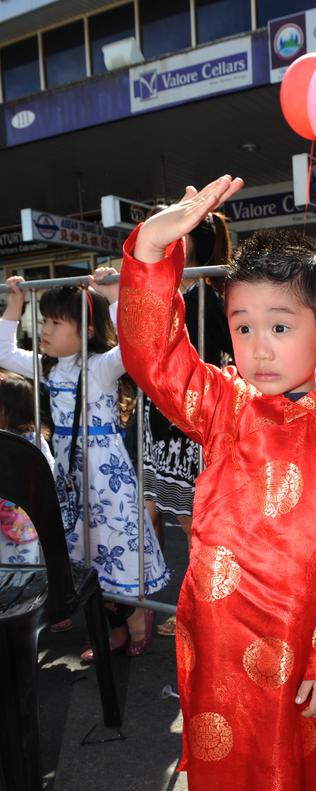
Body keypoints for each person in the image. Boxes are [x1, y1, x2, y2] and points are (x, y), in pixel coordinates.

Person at [116, 183, 316, 791]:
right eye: (243, 326)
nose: (258, 347)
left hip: (315, 636)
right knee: (252, 767)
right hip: (230, 636)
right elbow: (153, 355)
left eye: (281, 326)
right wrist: (152, 250)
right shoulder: (222, 405)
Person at [0, 276, 168, 658]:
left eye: (56, 323)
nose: (45, 330)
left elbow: (132, 348)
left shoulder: (99, 366)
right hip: (70, 477)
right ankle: (109, 628)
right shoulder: (47, 367)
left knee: (115, 546)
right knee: (83, 554)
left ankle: (138, 621)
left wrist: (113, 300)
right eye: (44, 322)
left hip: (106, 478)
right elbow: (4, 352)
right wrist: (15, 303)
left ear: (87, 329)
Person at [142, 211, 234, 637]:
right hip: (169, 426)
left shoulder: (207, 298)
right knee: (189, 524)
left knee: (200, 528)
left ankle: (204, 614)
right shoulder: (181, 294)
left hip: (191, 431)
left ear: (191, 243)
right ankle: (199, 609)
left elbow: (217, 363)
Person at [0, 373, 54, 567]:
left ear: (6, 410)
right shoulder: (36, 440)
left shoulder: (11, 440)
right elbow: (50, 474)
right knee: (23, 571)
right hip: (25, 520)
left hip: (18, 520)